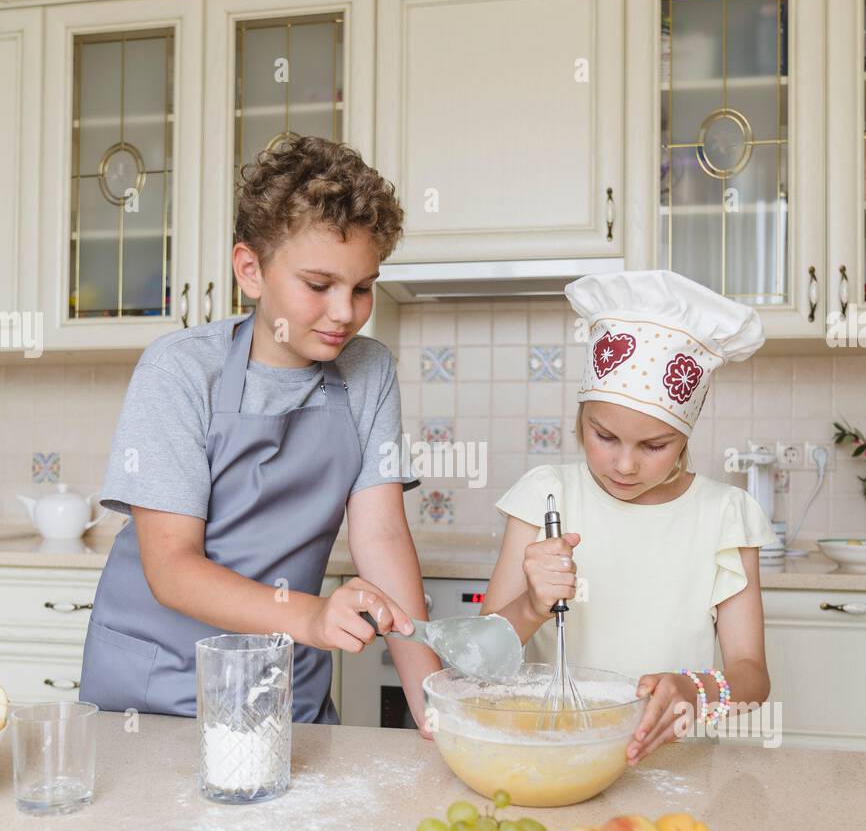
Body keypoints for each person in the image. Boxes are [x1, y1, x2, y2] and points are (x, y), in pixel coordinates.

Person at [79, 135, 440, 726]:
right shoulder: (181, 370)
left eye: (362, 287)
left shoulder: (368, 370)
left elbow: (383, 542)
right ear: (251, 270)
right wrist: (310, 618)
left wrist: (436, 709)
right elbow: (171, 566)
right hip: (157, 700)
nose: (345, 312)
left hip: (282, 691)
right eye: (319, 285)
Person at [483, 268, 778, 762]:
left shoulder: (725, 515)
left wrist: (695, 690)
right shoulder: (546, 496)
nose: (624, 464)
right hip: (557, 758)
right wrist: (533, 605)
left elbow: (752, 678)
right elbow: (482, 662)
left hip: (677, 768)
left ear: (685, 436)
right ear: (582, 420)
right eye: (605, 436)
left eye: (654, 445)